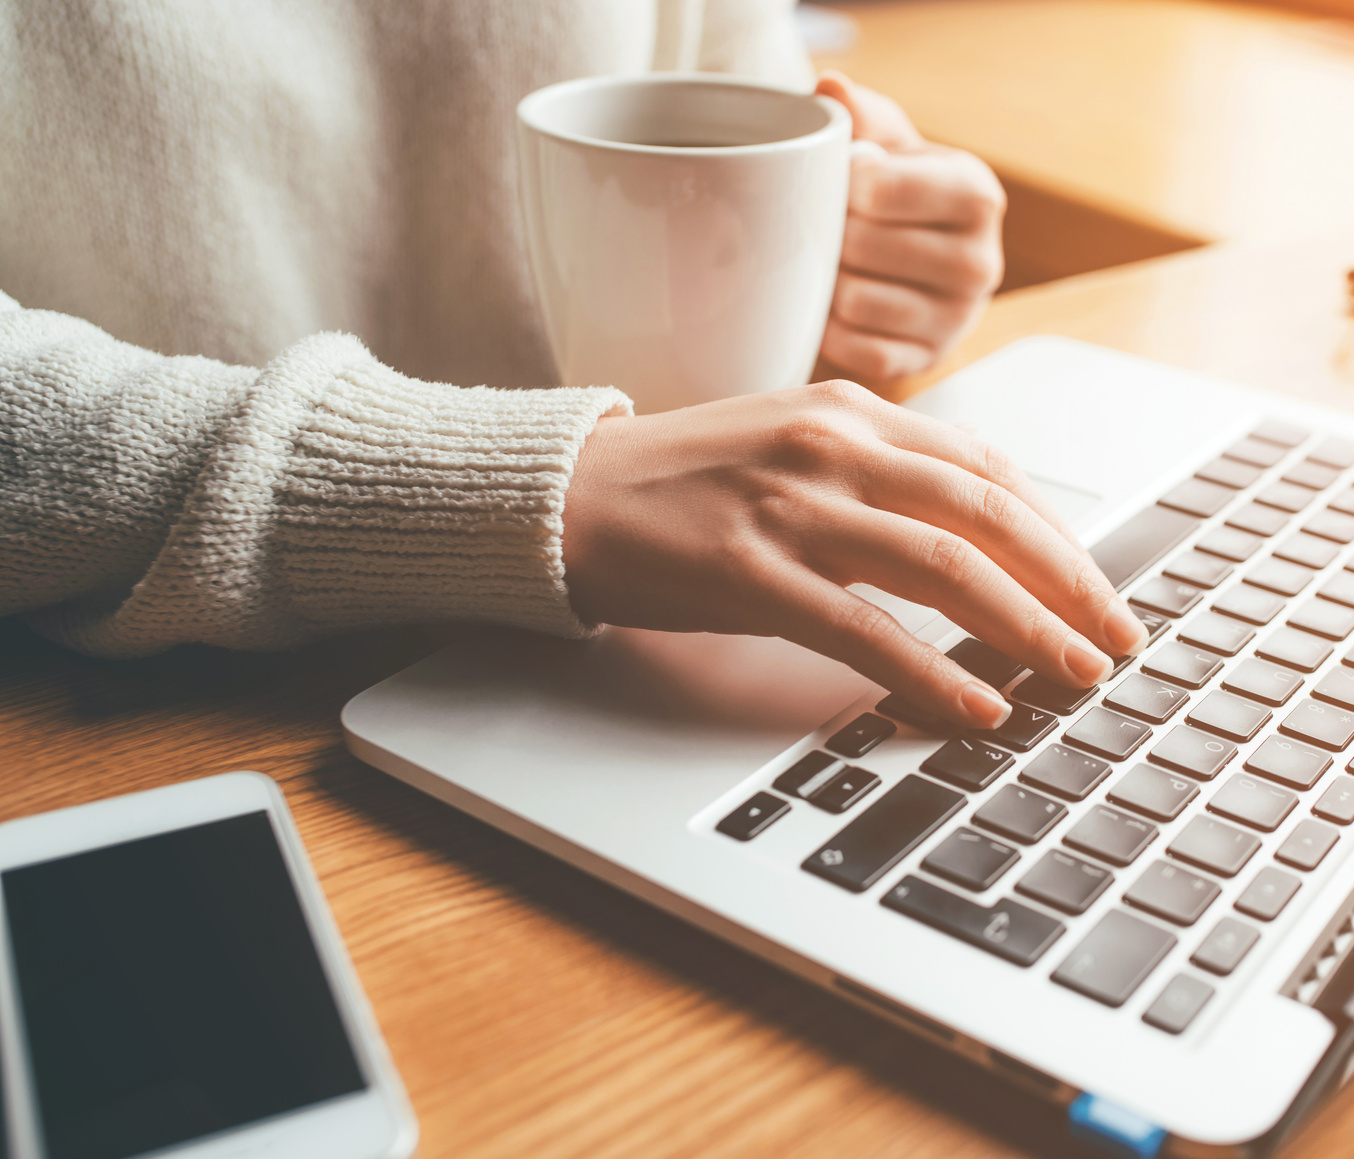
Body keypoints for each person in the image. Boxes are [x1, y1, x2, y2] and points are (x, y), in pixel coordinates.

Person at [0, 0, 1145, 730]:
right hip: (159, 707)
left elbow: (744, 97)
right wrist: (521, 488)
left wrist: (863, 259)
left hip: (640, 655)